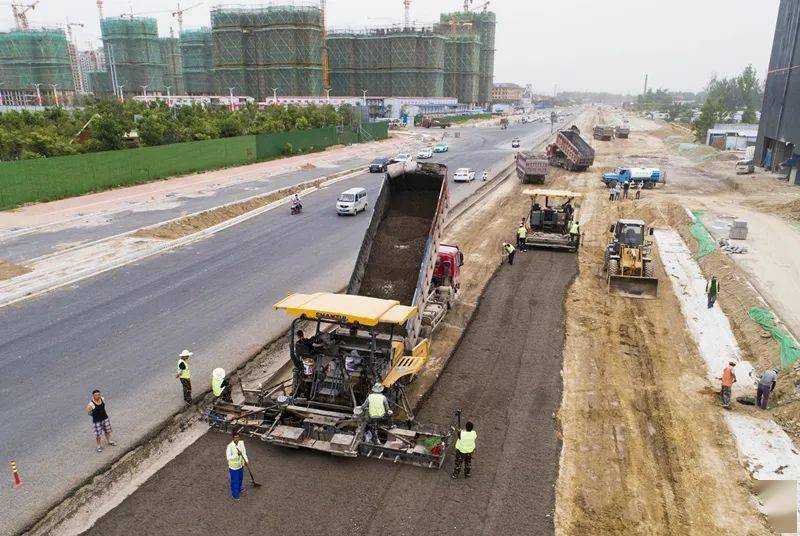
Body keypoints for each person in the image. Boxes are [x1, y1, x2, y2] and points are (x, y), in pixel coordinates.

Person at [226, 431, 249, 501]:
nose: (236, 439)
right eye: (235, 438)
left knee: (240, 478)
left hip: (240, 465)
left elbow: (244, 452)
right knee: (235, 480)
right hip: (233, 468)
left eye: (238, 437)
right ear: (232, 438)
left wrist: (246, 460)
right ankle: (235, 494)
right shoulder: (229, 446)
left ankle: (239, 488)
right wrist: (236, 455)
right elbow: (228, 457)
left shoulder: (241, 443)